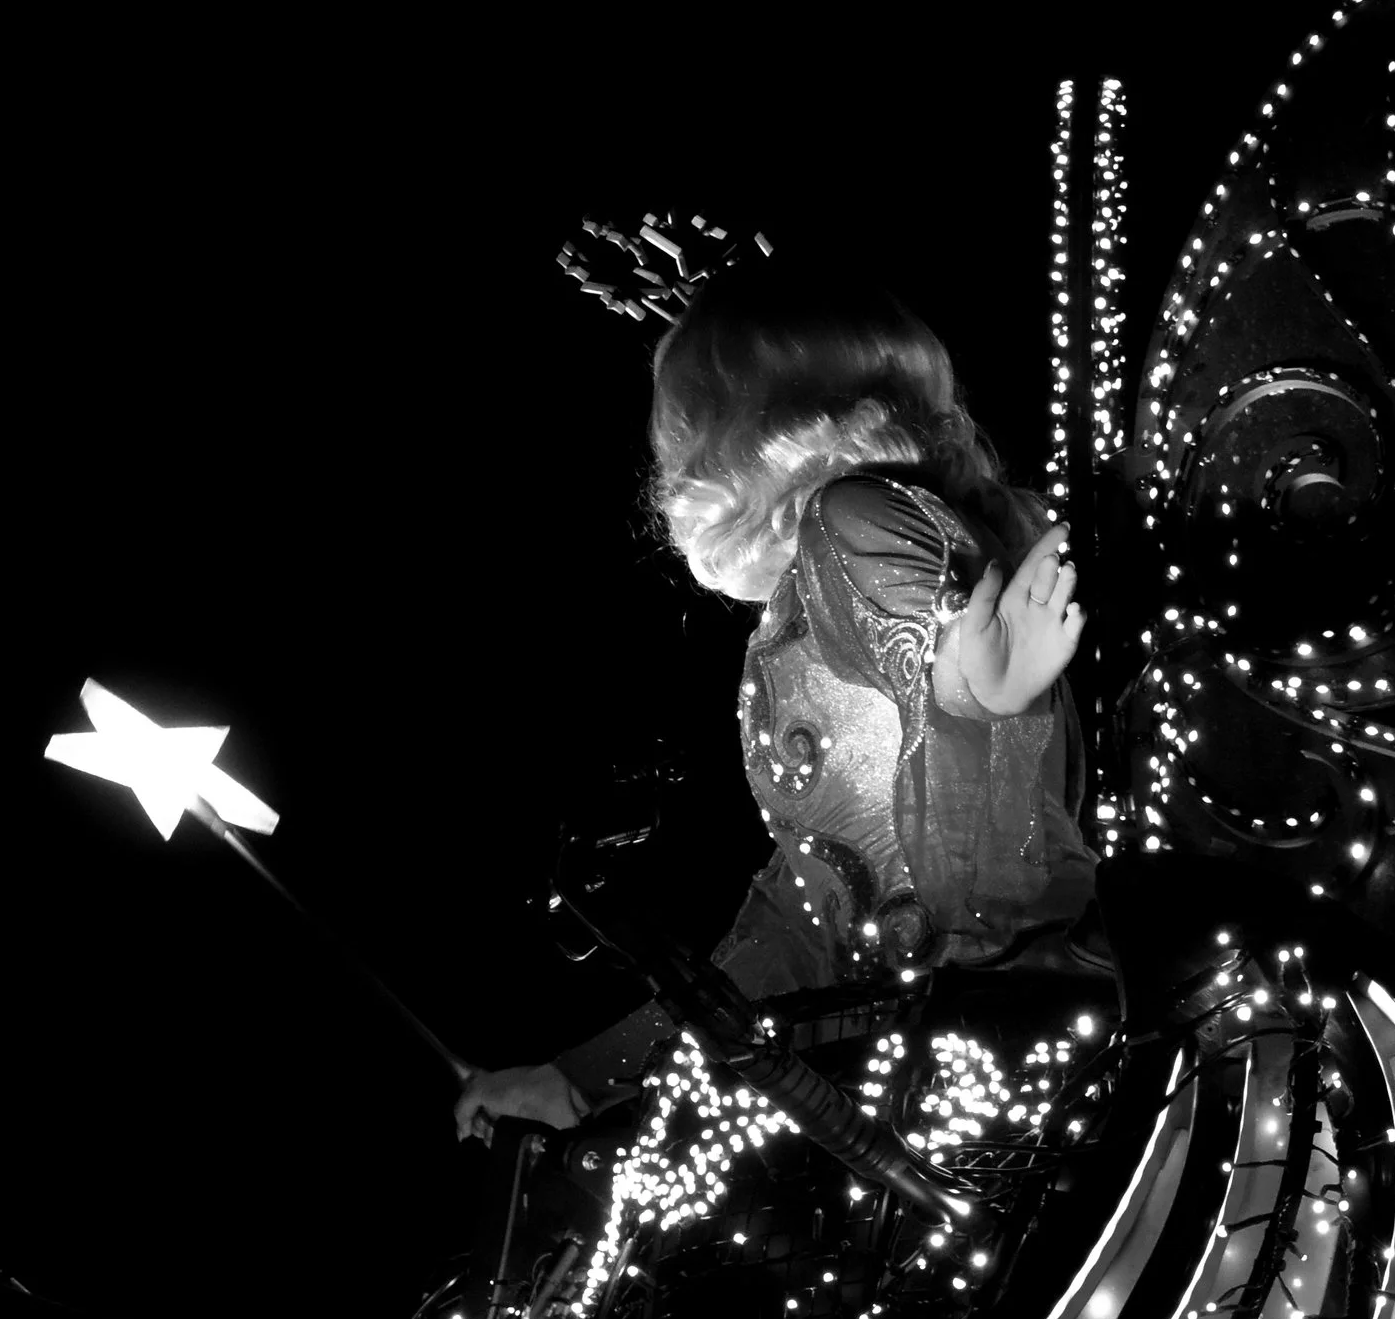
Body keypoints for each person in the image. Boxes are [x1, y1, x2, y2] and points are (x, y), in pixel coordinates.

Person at [455, 254, 1102, 1144]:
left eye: (681, 421)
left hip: (1004, 1059)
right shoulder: (805, 602)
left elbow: (939, 660)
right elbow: (791, 930)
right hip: (938, 1070)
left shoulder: (852, 520)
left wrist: (973, 688)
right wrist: (578, 1078)